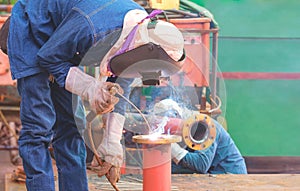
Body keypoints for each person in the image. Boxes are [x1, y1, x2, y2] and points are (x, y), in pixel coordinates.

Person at [6, 0, 185, 190]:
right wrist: (90, 88)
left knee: (73, 126)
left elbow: (119, 98)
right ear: (147, 50)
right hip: (33, 30)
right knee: (39, 126)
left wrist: (111, 147)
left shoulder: (137, 44)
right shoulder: (92, 26)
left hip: (64, 42)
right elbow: (49, 57)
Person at [153, 99, 248, 174]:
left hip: (230, 176)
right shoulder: (182, 129)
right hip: (212, 176)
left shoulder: (204, 125)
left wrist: (171, 147)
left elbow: (201, 164)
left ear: (177, 115)